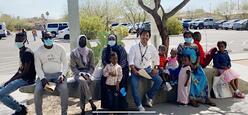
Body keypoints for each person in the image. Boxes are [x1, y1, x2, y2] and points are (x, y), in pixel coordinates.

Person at [0, 32, 36, 115]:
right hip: (21, 78)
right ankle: (20, 107)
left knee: (1, 94)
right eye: (16, 39)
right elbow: (20, 70)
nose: (18, 41)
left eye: (20, 39)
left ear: (25, 40)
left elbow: (25, 72)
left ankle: (20, 110)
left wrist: (12, 80)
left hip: (27, 80)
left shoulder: (27, 53)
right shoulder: (21, 51)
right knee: (1, 88)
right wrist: (9, 80)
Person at [177, 31, 216, 107]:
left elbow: (198, 56)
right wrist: (188, 64)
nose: (188, 38)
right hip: (186, 67)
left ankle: (205, 98)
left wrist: (197, 64)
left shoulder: (195, 46)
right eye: (186, 36)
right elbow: (179, 57)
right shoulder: (181, 46)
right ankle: (192, 99)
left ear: (192, 37)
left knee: (203, 78)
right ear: (184, 37)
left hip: (196, 66)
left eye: (189, 36)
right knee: (191, 80)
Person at [34, 32, 68, 115]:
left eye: (50, 38)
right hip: (45, 76)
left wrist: (63, 75)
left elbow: (65, 64)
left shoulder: (60, 48)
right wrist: (42, 78)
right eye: (46, 38)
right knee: (37, 91)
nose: (48, 40)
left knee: (64, 90)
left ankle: (64, 113)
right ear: (42, 40)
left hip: (58, 75)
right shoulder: (38, 51)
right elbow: (38, 67)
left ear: (53, 38)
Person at [128, 29, 162, 111]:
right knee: (133, 85)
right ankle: (139, 105)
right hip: (136, 70)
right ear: (140, 36)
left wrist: (155, 68)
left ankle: (149, 97)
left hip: (147, 70)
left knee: (159, 80)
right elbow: (130, 60)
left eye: (147, 35)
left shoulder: (151, 47)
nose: (145, 37)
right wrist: (134, 70)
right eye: (143, 35)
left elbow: (156, 59)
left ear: (149, 37)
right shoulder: (134, 47)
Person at [70, 35, 97, 115]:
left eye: (84, 40)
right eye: (81, 40)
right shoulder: (74, 53)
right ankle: (91, 102)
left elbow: (92, 66)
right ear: (78, 41)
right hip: (78, 73)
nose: (83, 41)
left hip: (88, 73)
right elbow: (73, 67)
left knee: (82, 86)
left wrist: (88, 74)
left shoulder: (90, 52)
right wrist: (81, 73)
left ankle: (82, 109)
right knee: (82, 80)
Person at [101, 34, 128, 109]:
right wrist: (110, 71)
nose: (111, 40)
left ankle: (122, 105)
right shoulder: (105, 50)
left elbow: (123, 61)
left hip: (120, 71)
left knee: (122, 86)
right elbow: (104, 61)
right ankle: (108, 105)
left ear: (116, 40)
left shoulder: (121, 49)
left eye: (113, 39)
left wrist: (116, 72)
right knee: (103, 82)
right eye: (110, 39)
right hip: (109, 71)